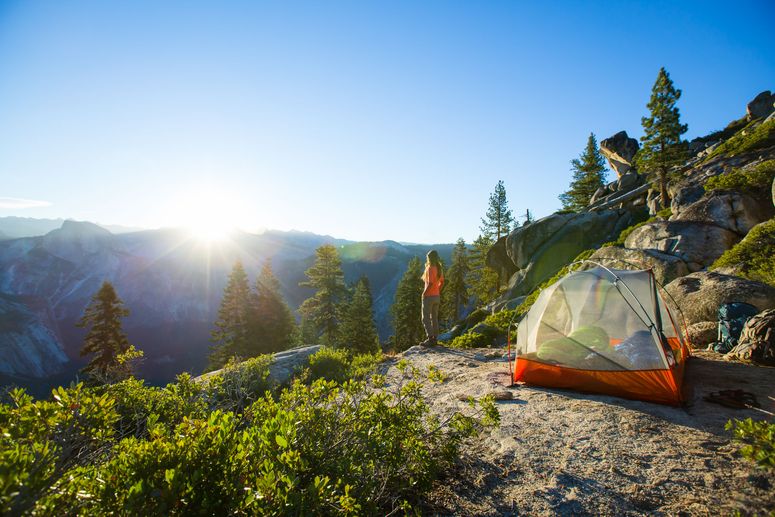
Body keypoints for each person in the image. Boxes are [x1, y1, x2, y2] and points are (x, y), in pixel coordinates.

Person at [421, 250, 444, 346]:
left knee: (425, 318)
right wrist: (437, 291)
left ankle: (430, 339)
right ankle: (435, 338)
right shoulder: (439, 268)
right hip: (436, 296)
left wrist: (424, 294)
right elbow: (442, 282)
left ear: (429, 258)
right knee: (434, 317)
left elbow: (430, 283)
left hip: (429, 297)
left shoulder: (430, 268)